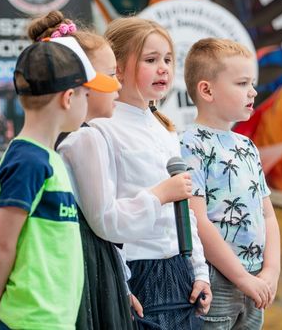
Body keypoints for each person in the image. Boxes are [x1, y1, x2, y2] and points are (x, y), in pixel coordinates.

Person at [0, 36, 120, 330]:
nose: (87, 101)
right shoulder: (28, 160)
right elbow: (2, 244)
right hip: (30, 320)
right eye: (85, 94)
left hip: (53, 319)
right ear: (68, 98)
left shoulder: (48, 158)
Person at [76, 16, 212, 329]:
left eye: (168, 59)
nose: (163, 68)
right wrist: (120, 286)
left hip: (180, 272)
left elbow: (185, 212)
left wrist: (199, 271)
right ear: (118, 69)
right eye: (151, 60)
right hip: (136, 270)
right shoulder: (101, 129)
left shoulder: (166, 130)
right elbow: (101, 221)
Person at [28, 10, 136, 330]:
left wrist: (121, 285)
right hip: (86, 269)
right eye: (110, 75)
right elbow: (106, 221)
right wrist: (160, 197)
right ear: (80, 84)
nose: (118, 85)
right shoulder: (83, 138)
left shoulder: (61, 140)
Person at [180, 38, 281, 330]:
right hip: (217, 280)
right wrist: (241, 277)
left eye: (252, 83)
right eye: (242, 83)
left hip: (256, 279)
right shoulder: (189, 144)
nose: (253, 91)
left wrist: (271, 270)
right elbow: (198, 220)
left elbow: (267, 214)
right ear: (207, 90)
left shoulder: (247, 146)